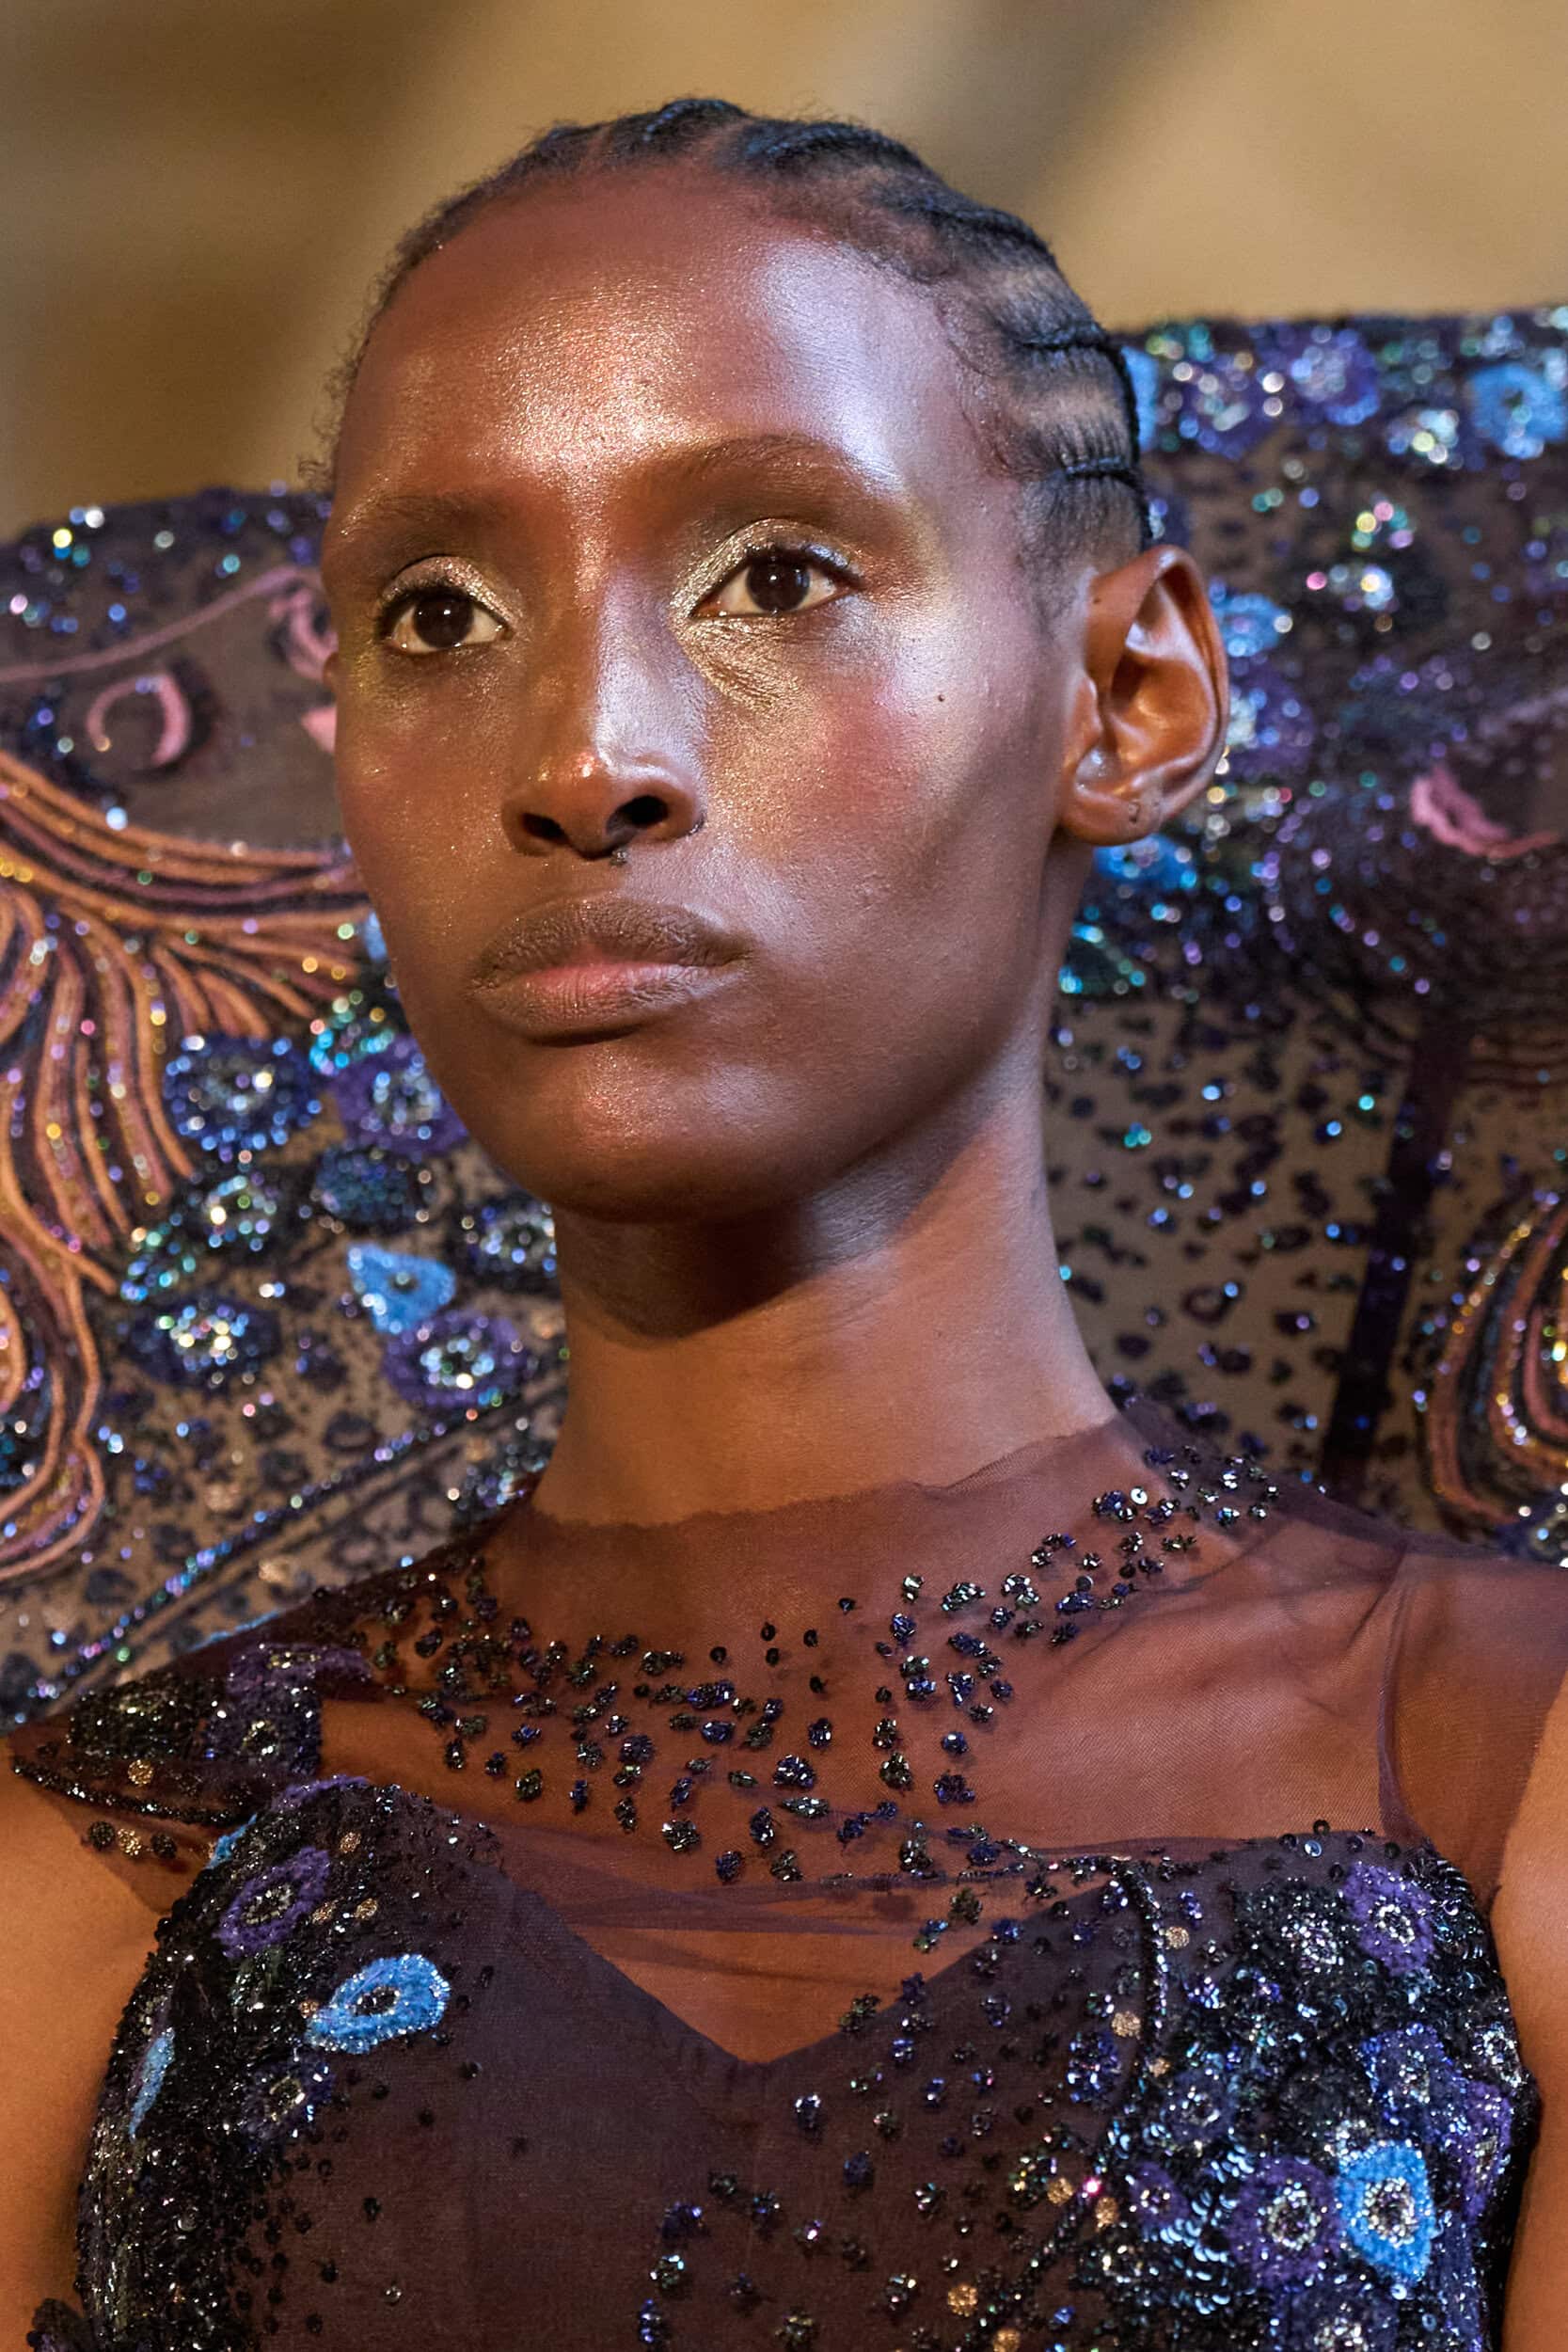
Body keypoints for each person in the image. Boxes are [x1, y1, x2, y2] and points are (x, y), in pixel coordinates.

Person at [4, 95, 1566, 2350]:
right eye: (438, 613)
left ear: (1130, 697)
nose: (586, 754)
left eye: (777, 574)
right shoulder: (99, 1890)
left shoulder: (1501, 1770)